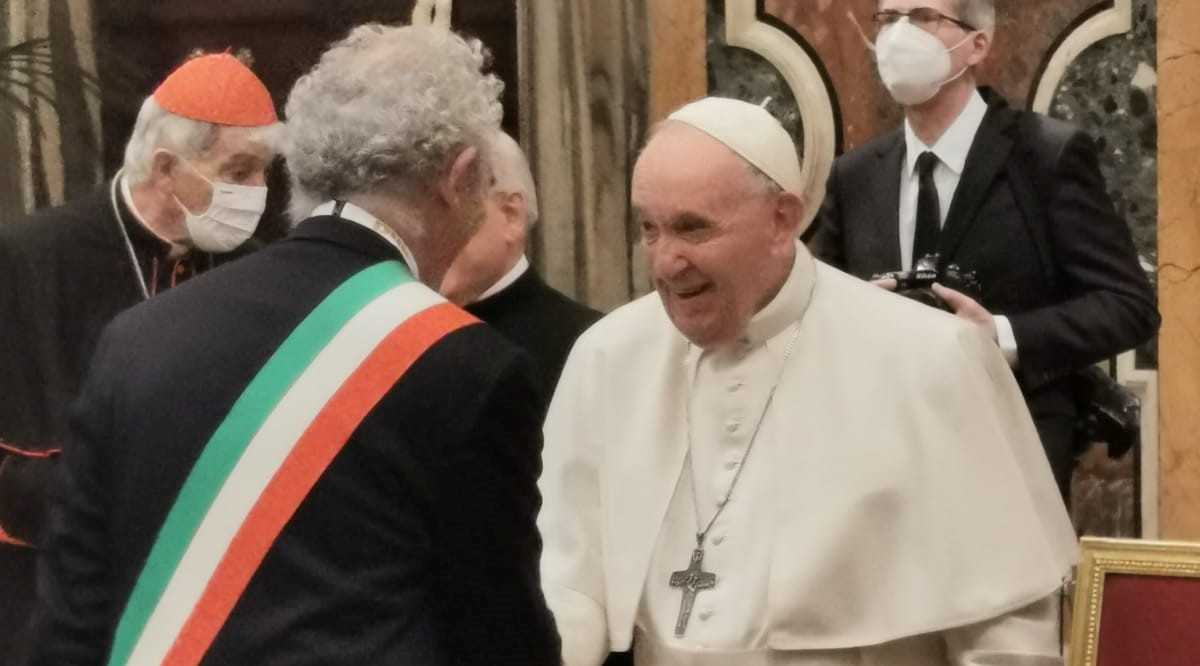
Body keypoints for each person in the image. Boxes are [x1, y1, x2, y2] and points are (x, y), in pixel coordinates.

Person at [27, 24, 559, 665]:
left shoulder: (136, 337)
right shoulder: (467, 366)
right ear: (460, 176)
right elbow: (499, 637)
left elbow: (70, 628)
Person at [538, 96, 1078, 665]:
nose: (666, 262)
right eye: (650, 229)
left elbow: (1007, 627)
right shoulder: (608, 356)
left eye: (693, 229)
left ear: (782, 219)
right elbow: (565, 575)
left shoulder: (933, 359)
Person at [808, 0, 1160, 499]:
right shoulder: (856, 175)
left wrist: (999, 334)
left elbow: (1128, 306)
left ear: (978, 44)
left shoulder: (1045, 157)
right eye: (888, 19)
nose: (899, 36)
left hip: (1010, 454)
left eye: (923, 17)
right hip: (886, 456)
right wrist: (863, 311)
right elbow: (819, 312)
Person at [0, 51, 280, 662]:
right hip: (56, 595)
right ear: (166, 167)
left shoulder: (254, 266)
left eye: (264, 171)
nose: (258, 191)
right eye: (239, 170)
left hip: (208, 598)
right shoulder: (31, 258)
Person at [440, 129, 602, 410]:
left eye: (445, 210)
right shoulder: (400, 333)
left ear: (511, 215)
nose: (425, 233)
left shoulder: (589, 344)